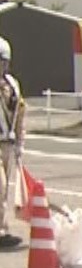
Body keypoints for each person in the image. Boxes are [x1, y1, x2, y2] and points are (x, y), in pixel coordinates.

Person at [0, 37, 26, 250]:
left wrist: (20, 143)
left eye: (5, 62)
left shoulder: (12, 85)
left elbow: (20, 115)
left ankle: (2, 228)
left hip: (7, 143)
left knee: (6, 188)